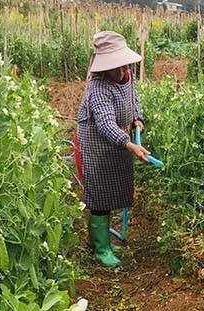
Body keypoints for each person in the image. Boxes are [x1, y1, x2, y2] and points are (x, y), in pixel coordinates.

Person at [77, 31, 150, 267]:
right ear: (103, 68)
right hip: (97, 147)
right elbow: (105, 124)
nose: (122, 71)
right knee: (100, 195)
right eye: (115, 67)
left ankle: (103, 240)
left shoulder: (128, 76)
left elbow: (133, 98)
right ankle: (100, 247)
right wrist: (130, 144)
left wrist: (137, 118)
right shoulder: (98, 87)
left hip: (119, 142)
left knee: (114, 189)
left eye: (123, 65)